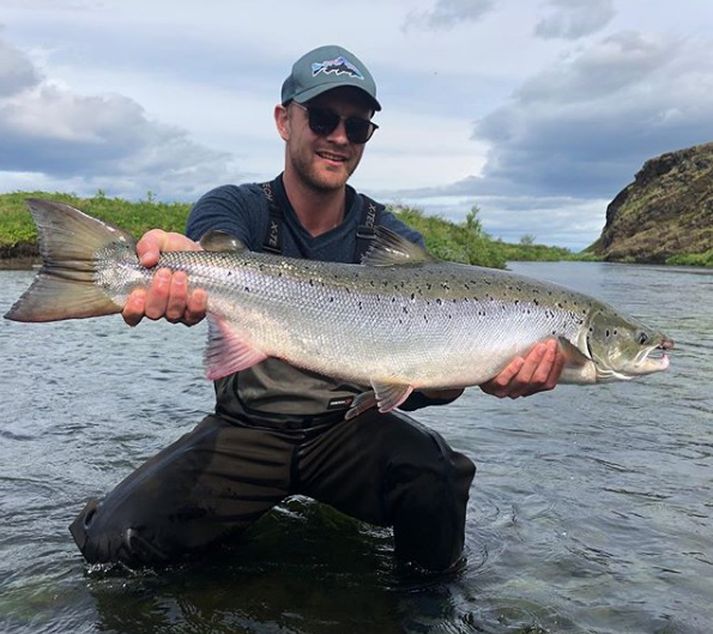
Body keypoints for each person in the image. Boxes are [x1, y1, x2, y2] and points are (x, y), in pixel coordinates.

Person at [69, 45, 564, 572]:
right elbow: (215, 250)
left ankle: (424, 609)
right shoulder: (238, 206)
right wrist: (172, 266)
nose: (339, 138)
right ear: (285, 120)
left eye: (358, 127)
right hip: (247, 427)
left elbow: (417, 383)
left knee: (438, 478)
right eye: (325, 118)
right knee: (112, 544)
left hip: (347, 431)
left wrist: (478, 373)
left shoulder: (393, 244)